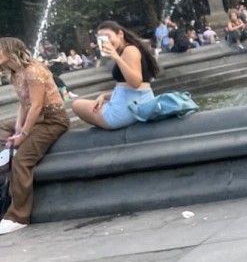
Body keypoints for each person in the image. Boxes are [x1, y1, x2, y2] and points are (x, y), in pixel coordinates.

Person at [0, 38, 70, 235]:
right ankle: (4, 162)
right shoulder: (15, 74)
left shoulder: (34, 71)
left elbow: (37, 105)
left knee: (22, 161)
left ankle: (18, 217)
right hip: (36, 118)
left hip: (52, 120)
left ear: (11, 51)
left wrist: (23, 134)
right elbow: (24, 104)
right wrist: (17, 126)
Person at [70, 21, 159, 129]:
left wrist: (116, 57)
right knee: (90, 105)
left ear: (120, 34)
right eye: (101, 39)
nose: (106, 42)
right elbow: (130, 89)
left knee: (76, 104)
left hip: (127, 111)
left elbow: (136, 83)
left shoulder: (130, 50)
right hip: (135, 103)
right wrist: (104, 95)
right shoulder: (129, 49)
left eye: (108, 37)